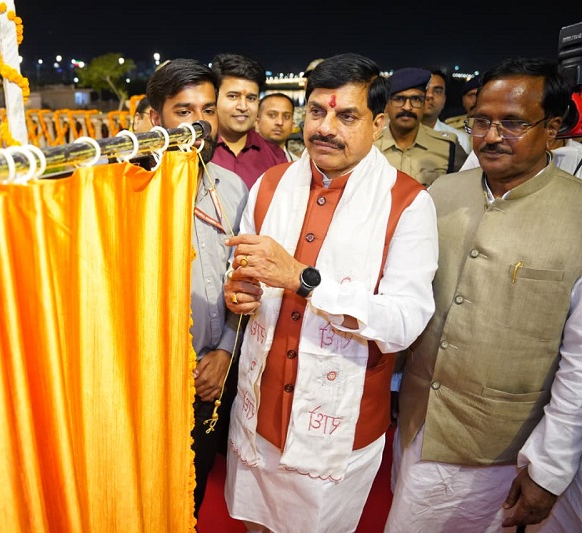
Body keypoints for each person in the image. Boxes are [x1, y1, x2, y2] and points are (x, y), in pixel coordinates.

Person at [221, 52, 439, 532]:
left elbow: (404, 322)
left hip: (338, 425)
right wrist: (240, 294)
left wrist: (303, 279)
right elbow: (245, 278)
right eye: (317, 112)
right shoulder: (269, 185)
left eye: (346, 116)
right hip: (259, 415)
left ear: (378, 123)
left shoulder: (407, 204)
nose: (325, 128)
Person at [389, 57, 582, 532]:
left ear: (553, 129)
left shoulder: (577, 214)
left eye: (513, 123)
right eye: (481, 121)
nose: (492, 136)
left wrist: (550, 470)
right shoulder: (437, 196)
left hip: (505, 449)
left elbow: (579, 367)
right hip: (417, 424)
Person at [144, 58, 249, 521]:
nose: (198, 124)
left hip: (208, 377)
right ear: (154, 119)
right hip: (143, 379)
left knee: (190, 499)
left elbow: (243, 280)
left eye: (206, 110)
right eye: (183, 111)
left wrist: (225, 352)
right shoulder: (124, 192)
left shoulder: (233, 189)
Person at [374, 67, 467, 186]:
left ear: (424, 104)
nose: (407, 107)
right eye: (399, 99)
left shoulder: (448, 147)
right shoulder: (370, 147)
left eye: (416, 99)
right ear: (387, 105)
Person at [210, 53, 288, 189]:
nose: (243, 107)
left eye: (251, 98)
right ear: (214, 98)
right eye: (233, 96)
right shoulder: (198, 152)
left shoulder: (276, 157)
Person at [422, 69, 472, 154]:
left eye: (437, 91)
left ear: (444, 100)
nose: (429, 95)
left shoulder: (459, 140)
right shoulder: (396, 136)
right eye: (425, 89)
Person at [256, 92, 300, 161]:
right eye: (272, 115)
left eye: (286, 116)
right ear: (257, 123)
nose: (280, 122)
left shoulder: (298, 166)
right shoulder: (245, 161)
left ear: (292, 125)